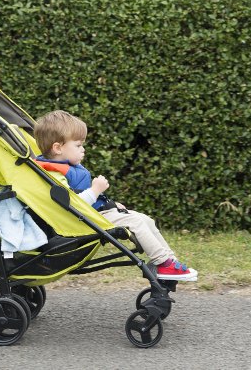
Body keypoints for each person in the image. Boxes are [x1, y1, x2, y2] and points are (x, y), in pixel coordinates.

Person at [33, 110, 197, 281]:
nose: (83, 149)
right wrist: (95, 191)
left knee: (146, 220)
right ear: (58, 148)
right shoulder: (53, 174)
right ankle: (163, 263)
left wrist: (110, 204)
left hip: (92, 214)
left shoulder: (62, 167)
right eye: (78, 145)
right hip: (80, 221)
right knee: (135, 222)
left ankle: (169, 262)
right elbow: (70, 205)